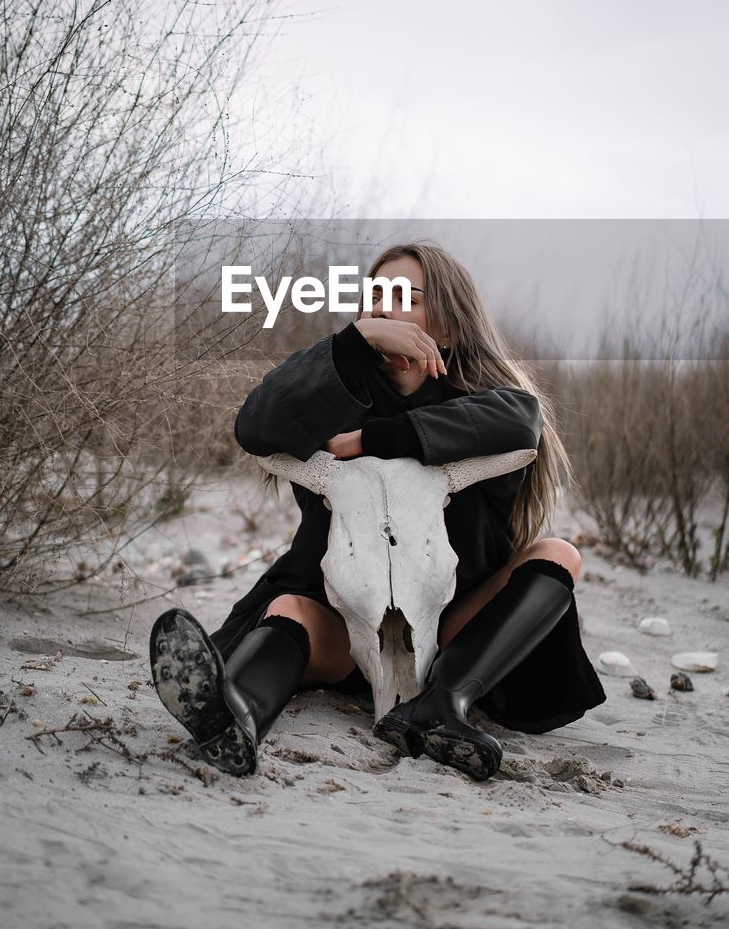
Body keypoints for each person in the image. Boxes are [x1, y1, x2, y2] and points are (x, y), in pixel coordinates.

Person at [149, 242, 606, 780]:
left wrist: (373, 439)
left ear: (450, 329)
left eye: (402, 297)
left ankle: (444, 705)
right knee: (290, 609)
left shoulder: (490, 404)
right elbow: (255, 425)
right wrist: (354, 344)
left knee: (559, 553)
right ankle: (236, 715)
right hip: (339, 628)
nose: (382, 308)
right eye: (372, 298)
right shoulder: (333, 394)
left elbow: (519, 420)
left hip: (450, 631)